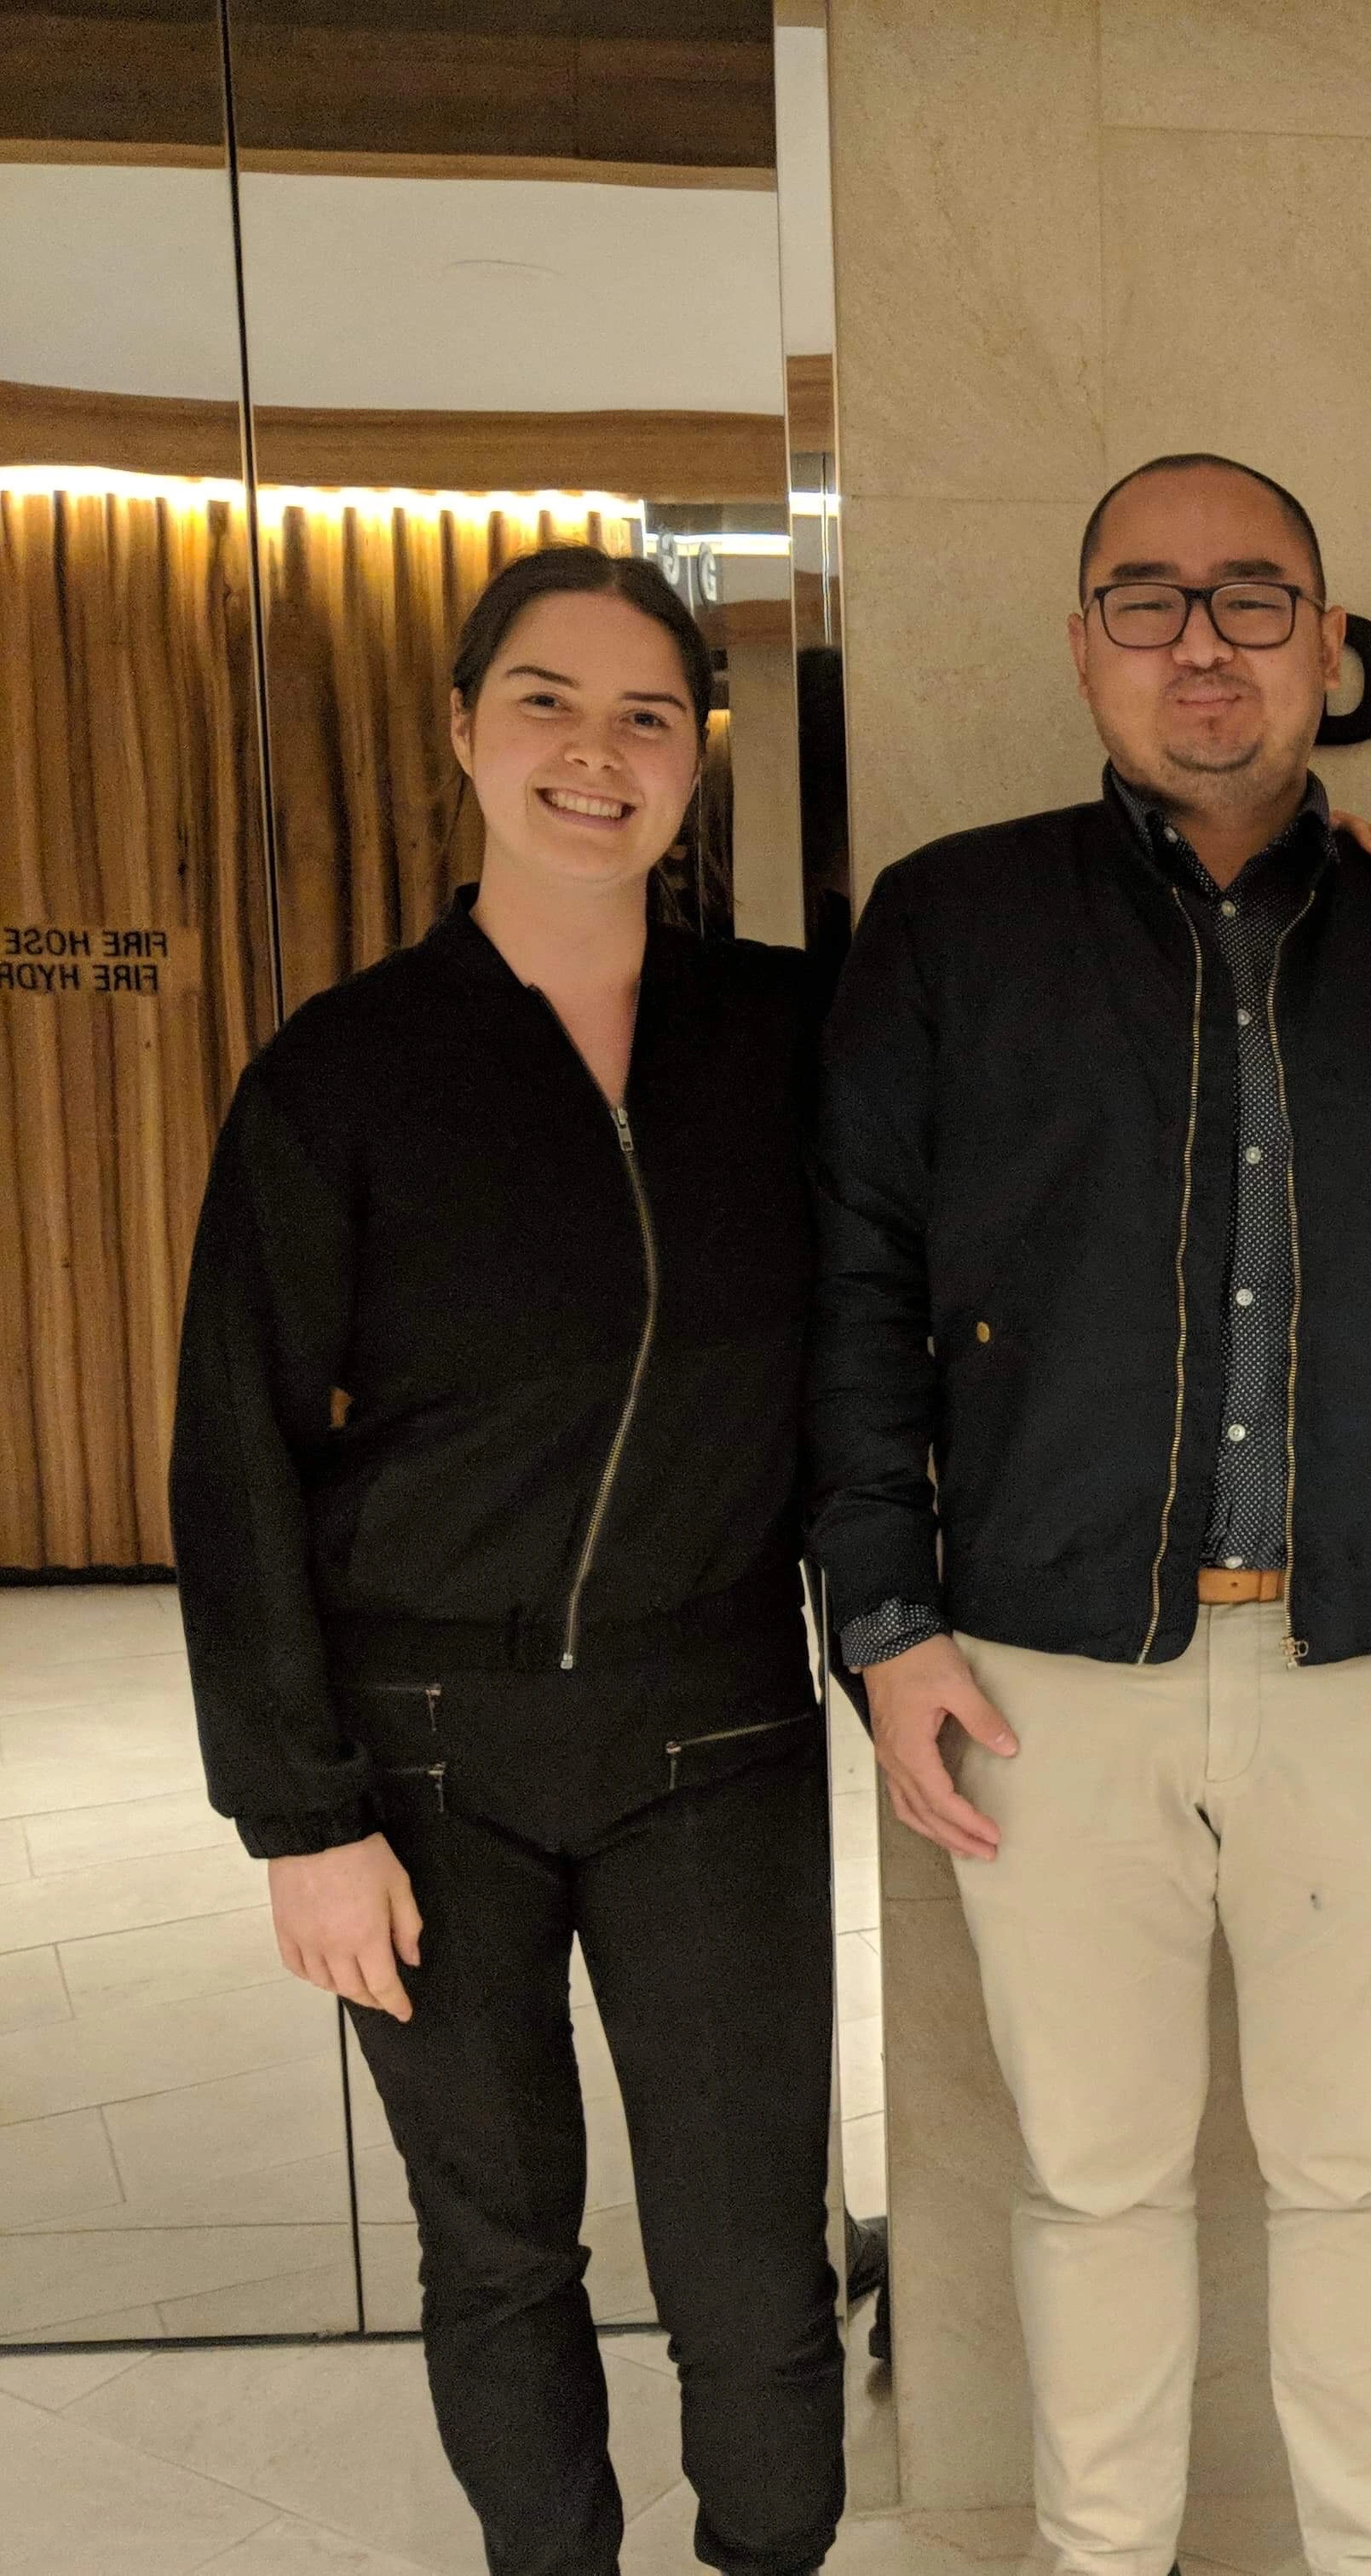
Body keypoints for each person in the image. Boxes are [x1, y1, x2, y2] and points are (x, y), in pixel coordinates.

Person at [810, 451, 1371, 2576]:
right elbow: (855, 1285)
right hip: (1037, 1674)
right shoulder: (949, 926)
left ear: (1331, 648)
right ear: (1083, 643)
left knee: (1358, 2171)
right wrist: (882, 1621)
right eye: (1149, 598)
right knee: (1090, 2184)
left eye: (1255, 598)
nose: (1203, 640)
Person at [171, 545, 844, 2576]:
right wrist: (298, 1814)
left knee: (752, 2267)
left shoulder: (796, 1039)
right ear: (464, 734)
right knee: (499, 2252)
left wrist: (1322, 859)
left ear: (699, 762)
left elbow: (1046, 1025)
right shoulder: (343, 1074)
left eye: (649, 713)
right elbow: (236, 1463)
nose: (595, 752)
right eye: (546, 701)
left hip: (713, 1726)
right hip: (425, 1758)